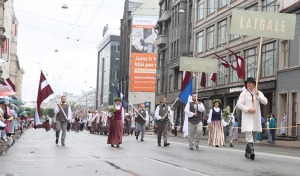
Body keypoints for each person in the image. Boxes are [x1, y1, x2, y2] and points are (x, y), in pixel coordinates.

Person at [236, 77, 268, 160]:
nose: (249, 84)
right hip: (247, 117)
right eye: (247, 83)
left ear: (254, 84)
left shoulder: (258, 92)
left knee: (253, 136)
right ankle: (252, 151)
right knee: (248, 134)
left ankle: (247, 152)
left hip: (255, 118)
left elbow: (265, 102)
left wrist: (258, 95)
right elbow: (239, 104)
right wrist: (248, 109)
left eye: (250, 83)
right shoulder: (243, 94)